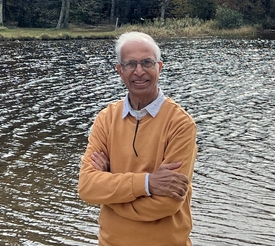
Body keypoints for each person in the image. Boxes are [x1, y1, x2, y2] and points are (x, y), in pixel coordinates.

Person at [78, 31, 197, 246]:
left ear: (159, 67)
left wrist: (110, 195)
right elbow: (87, 187)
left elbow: (167, 203)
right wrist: (147, 183)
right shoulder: (106, 119)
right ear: (120, 71)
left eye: (147, 63)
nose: (139, 71)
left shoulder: (180, 123)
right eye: (131, 64)